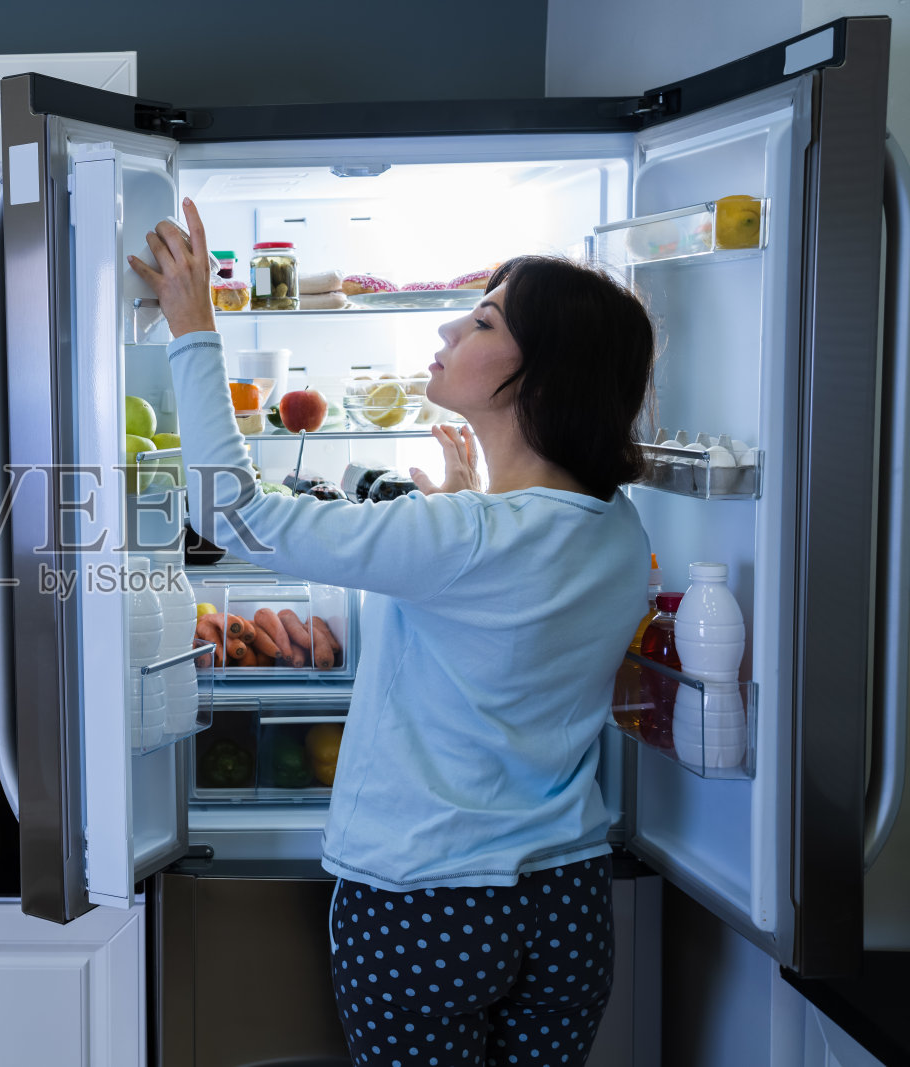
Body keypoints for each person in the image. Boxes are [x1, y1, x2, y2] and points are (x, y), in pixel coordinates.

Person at [129, 198, 655, 1067]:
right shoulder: (616, 525)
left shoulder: (463, 537)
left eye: (484, 317)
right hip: (566, 898)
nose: (452, 324)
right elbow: (507, 613)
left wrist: (195, 330)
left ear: (539, 375)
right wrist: (461, 502)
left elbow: (235, 513)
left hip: (427, 902)